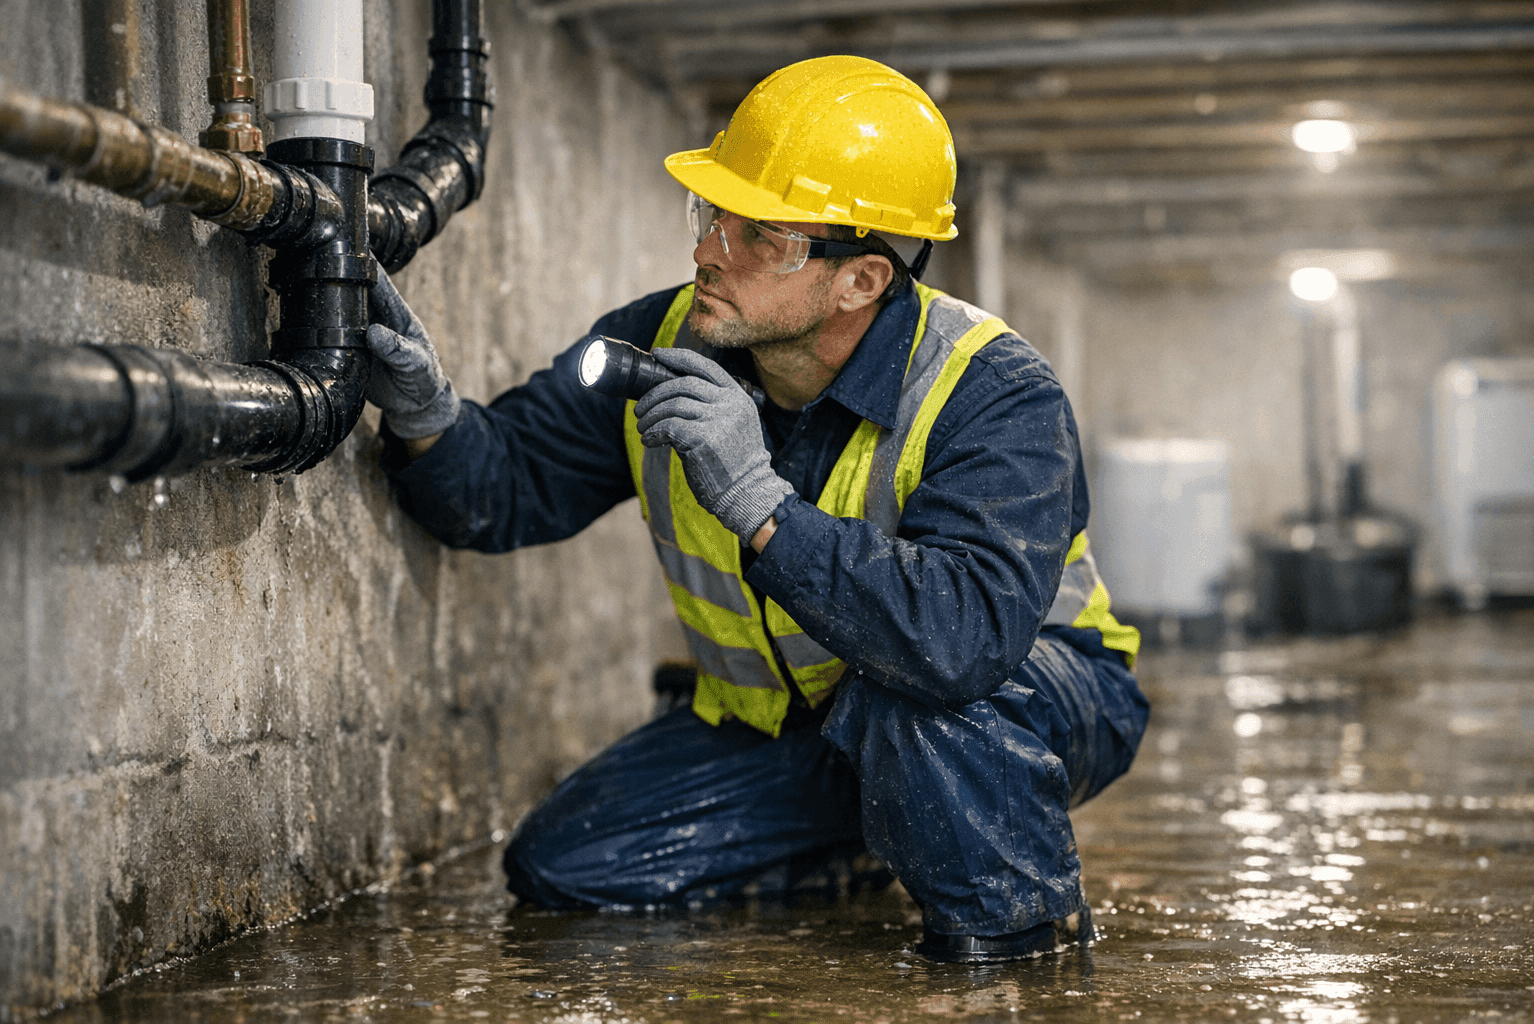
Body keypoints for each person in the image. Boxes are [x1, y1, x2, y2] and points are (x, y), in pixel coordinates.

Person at [364, 55, 1149, 964]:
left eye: (760, 235)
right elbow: (503, 492)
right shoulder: (662, 339)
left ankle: (1022, 944)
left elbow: (962, 641)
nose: (708, 251)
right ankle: (881, 827)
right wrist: (425, 415)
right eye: (713, 216)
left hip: (1028, 693)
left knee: (918, 711)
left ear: (861, 281)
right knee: (568, 865)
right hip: (799, 718)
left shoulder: (993, 390)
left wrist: (759, 505)